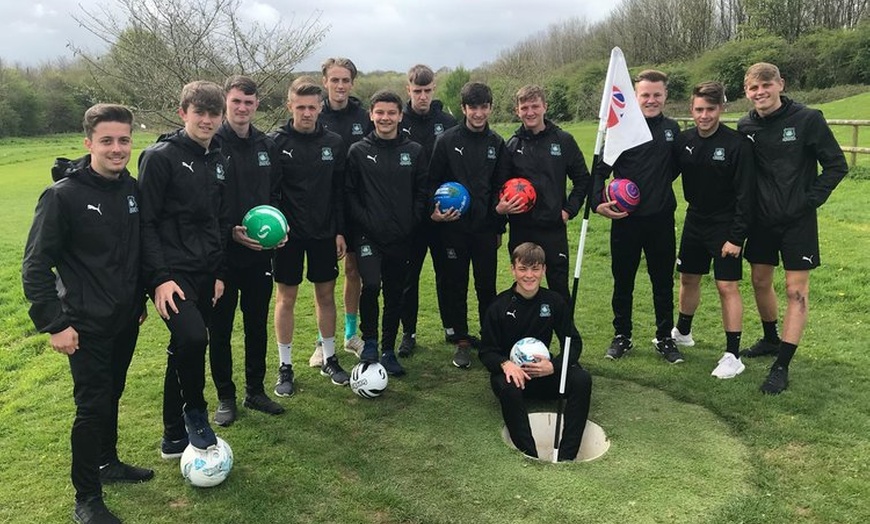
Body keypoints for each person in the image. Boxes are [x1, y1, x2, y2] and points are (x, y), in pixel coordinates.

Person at [23, 104, 153, 524]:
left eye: (124, 140)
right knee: (92, 406)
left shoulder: (130, 189)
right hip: (83, 326)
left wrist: (137, 303)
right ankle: (87, 499)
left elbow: (132, 254)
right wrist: (55, 323)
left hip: (123, 320)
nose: (117, 149)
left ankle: (108, 462)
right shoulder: (63, 196)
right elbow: (35, 266)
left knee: (111, 395)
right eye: (107, 141)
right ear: (88, 143)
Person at [737, 62, 848, 394]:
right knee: (759, 281)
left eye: (766, 85)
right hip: (761, 221)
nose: (760, 93)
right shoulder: (745, 127)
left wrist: (807, 201)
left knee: (796, 292)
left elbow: (836, 165)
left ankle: (781, 365)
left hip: (797, 222)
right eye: (753, 88)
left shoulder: (807, 119)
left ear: (780, 84)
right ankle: (771, 339)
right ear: (747, 92)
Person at [138, 80, 230, 459]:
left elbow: (220, 221)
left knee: (182, 348)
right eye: (199, 113)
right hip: (171, 273)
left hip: (207, 271)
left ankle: (173, 437)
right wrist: (159, 278)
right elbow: (145, 223)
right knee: (193, 339)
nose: (207, 120)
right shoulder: (159, 157)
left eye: (214, 114)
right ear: (183, 113)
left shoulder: (219, 158)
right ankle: (195, 411)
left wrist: (221, 271)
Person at [208, 75, 286, 426]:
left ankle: (255, 390)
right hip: (222, 257)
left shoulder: (266, 146)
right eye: (237, 101)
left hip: (259, 255)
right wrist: (230, 233)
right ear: (226, 101)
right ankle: (226, 396)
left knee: (256, 324)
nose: (242, 108)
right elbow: (205, 204)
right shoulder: (212, 144)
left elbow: (276, 195)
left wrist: (279, 229)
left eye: (249, 102)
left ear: (257, 105)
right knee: (220, 329)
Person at [592, 70, 683, 364]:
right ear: (635, 97)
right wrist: (597, 203)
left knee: (662, 282)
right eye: (645, 95)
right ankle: (622, 336)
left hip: (660, 220)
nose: (651, 100)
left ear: (665, 96)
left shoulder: (673, 129)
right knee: (623, 281)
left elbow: (677, 167)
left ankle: (665, 338)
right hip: (625, 221)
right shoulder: (622, 130)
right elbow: (599, 172)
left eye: (657, 94)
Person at [270, 77, 350, 395]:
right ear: (290, 106)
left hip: (324, 233)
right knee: (286, 298)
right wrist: (276, 228)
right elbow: (271, 192)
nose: (306, 113)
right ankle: (285, 366)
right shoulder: (275, 142)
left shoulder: (333, 142)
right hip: (287, 236)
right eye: (300, 107)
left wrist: (340, 230)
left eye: (312, 107)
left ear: (320, 107)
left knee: (326, 297)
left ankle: (330, 357)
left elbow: (340, 191)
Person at [479, 242, 592, 462]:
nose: (529, 275)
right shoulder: (498, 307)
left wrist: (554, 366)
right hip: (515, 379)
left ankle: (567, 455)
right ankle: (529, 454)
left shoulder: (554, 302)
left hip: (545, 374)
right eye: (523, 269)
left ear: (544, 270)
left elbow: (574, 343)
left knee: (582, 379)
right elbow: (487, 352)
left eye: (535, 269)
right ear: (513, 269)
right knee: (508, 388)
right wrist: (505, 364)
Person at [674, 81, 755, 378]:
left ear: (721, 108)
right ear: (691, 109)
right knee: (688, 278)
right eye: (698, 109)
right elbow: (662, 172)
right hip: (695, 219)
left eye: (710, 109)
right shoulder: (683, 141)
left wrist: (736, 237)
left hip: (726, 223)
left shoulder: (738, 145)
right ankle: (682, 331)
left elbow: (747, 196)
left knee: (726, 286)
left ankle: (733, 354)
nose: (704, 115)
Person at [345, 90, 428, 376]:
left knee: (395, 292)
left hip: (402, 236)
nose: (385, 118)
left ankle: (389, 350)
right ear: (371, 114)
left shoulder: (414, 151)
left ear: (400, 116)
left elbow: (422, 192)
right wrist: (366, 221)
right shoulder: (358, 151)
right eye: (379, 112)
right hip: (368, 236)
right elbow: (350, 194)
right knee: (370, 285)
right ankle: (370, 342)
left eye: (391, 113)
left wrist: (412, 221)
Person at [428, 81, 509, 368]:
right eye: (472, 107)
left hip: (485, 229)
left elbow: (501, 188)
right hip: (453, 230)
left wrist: (499, 225)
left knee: (486, 286)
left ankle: (489, 341)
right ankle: (462, 341)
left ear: (490, 108)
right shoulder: (447, 141)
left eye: (483, 107)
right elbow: (431, 182)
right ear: (463, 108)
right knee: (456, 285)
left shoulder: (497, 143)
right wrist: (435, 212)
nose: (478, 113)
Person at [501, 84, 590, 304]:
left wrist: (569, 209)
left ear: (545, 107)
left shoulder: (563, 140)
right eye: (525, 107)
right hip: (522, 229)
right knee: (524, 285)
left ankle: (568, 337)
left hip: (553, 229)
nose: (530, 112)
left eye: (535, 106)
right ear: (517, 111)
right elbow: (500, 186)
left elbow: (583, 179)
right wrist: (502, 208)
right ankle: (525, 333)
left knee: (559, 288)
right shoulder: (511, 146)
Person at [311, 57, 373, 367]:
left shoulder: (365, 117)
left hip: (357, 206)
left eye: (345, 80)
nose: (340, 86)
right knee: (324, 280)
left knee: (354, 271)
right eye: (334, 80)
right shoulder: (314, 113)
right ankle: (323, 342)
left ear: (352, 83)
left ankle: (350, 335)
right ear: (325, 82)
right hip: (323, 208)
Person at [396, 64, 458, 356]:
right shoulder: (397, 120)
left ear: (434, 89)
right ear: (408, 90)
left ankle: (452, 328)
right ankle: (408, 332)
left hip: (444, 215)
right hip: (410, 216)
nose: (422, 96)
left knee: (448, 274)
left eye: (427, 90)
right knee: (409, 277)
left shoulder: (447, 121)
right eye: (417, 91)